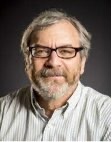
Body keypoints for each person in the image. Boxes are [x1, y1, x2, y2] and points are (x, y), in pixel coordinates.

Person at [0, 9, 110, 141]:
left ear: (82, 63)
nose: (53, 62)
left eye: (66, 51)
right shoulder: (2, 112)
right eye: (40, 51)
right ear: (27, 61)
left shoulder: (107, 116)